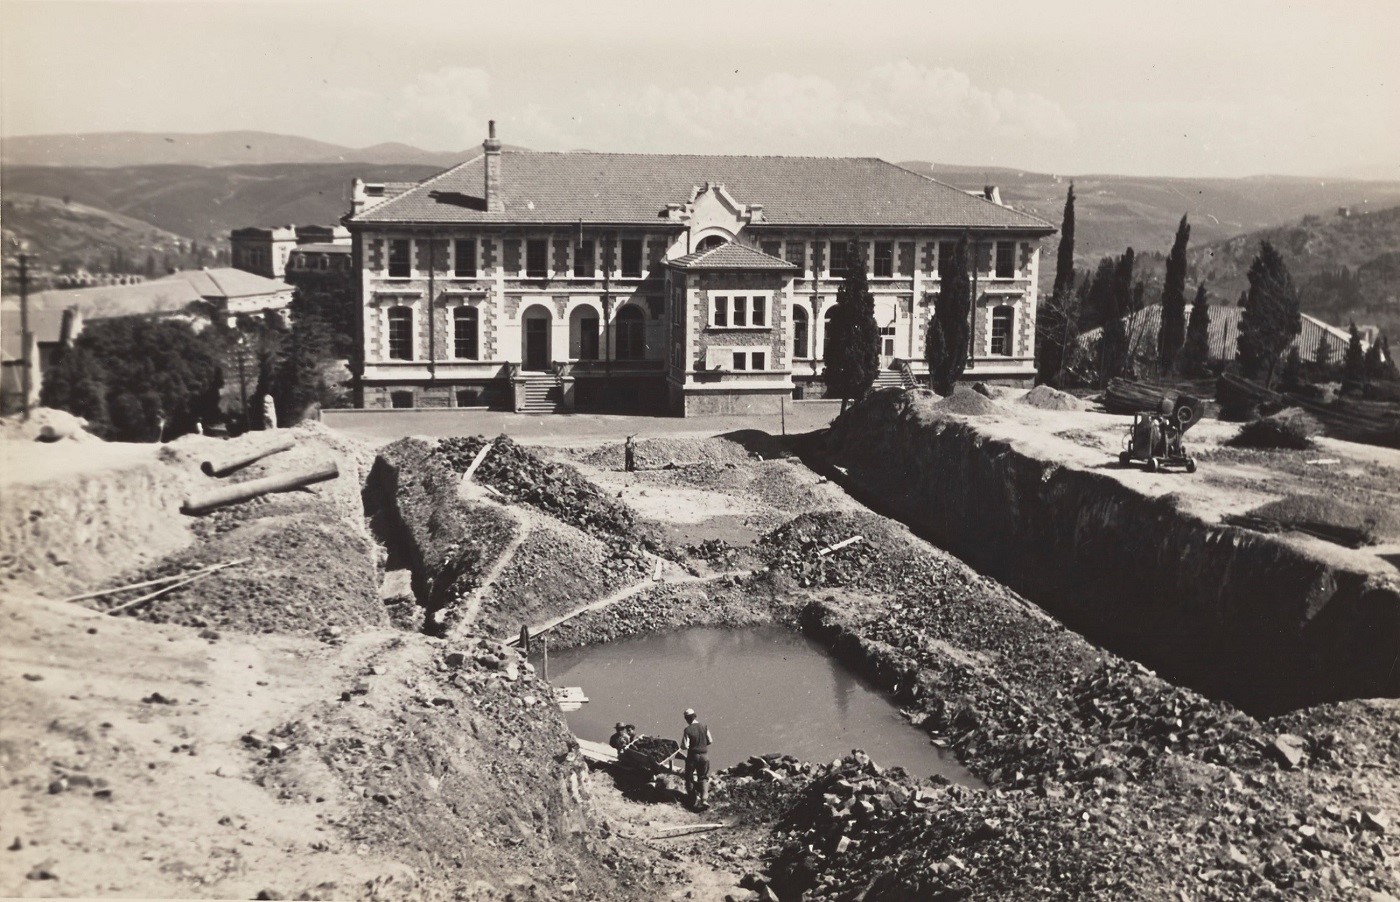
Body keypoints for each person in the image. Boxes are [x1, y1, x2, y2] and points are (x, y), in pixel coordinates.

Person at [680, 707, 714, 811]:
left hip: (693, 756)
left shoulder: (687, 730)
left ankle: (692, 801)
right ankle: (704, 800)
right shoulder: (704, 726)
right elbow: (710, 740)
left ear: (686, 718)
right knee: (703, 777)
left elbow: (685, 746)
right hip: (704, 756)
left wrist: (684, 746)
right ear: (695, 716)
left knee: (689, 777)